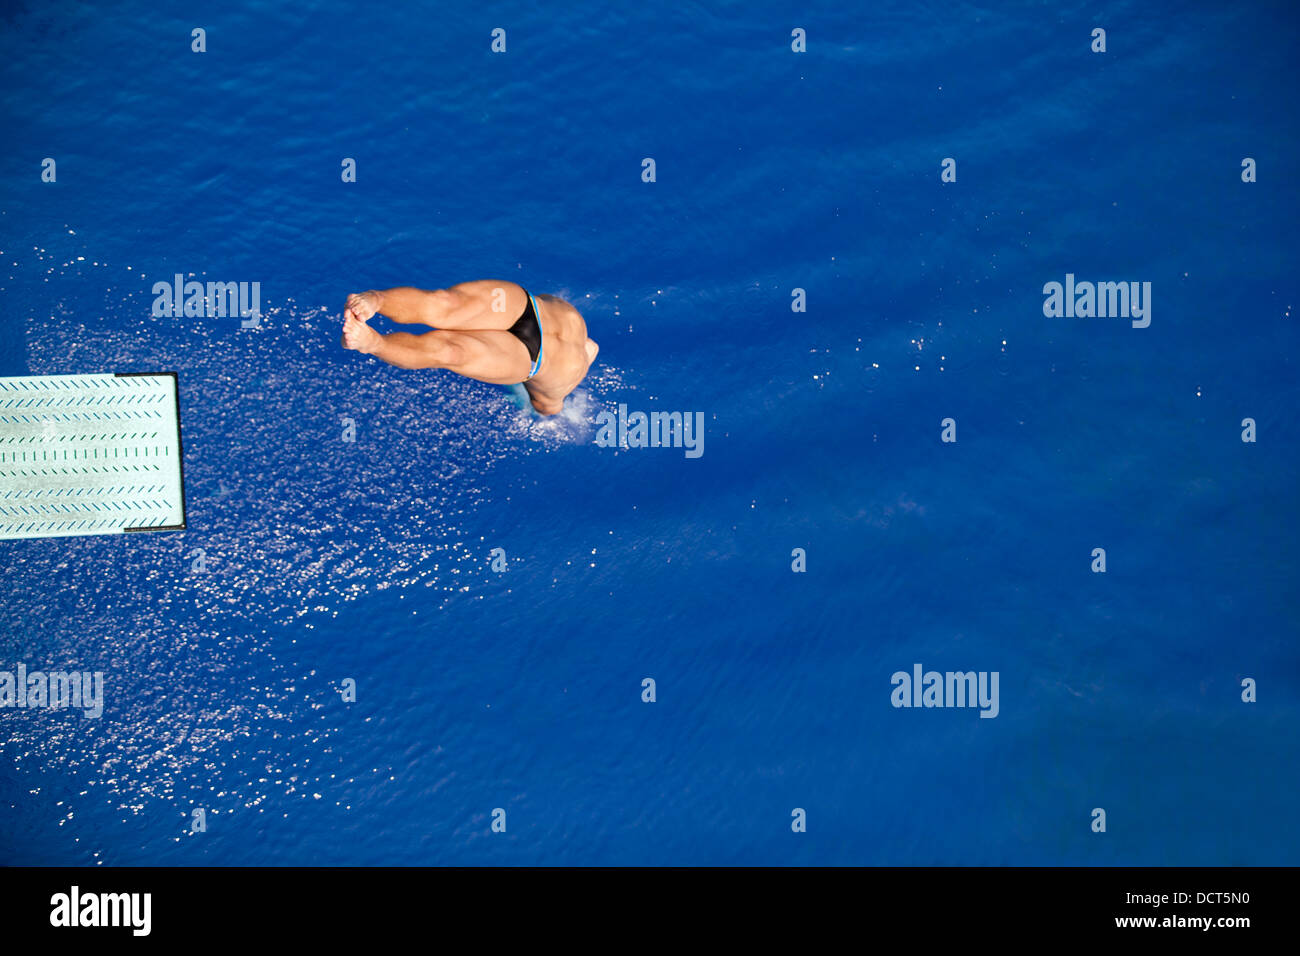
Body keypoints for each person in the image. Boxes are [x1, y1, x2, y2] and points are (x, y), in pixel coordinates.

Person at [342, 281, 599, 415]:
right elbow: (548, 411)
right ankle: (375, 324)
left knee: (446, 307)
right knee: (451, 349)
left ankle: (375, 317)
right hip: (531, 351)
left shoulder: (577, 324)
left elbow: (591, 347)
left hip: (530, 311)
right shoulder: (559, 391)